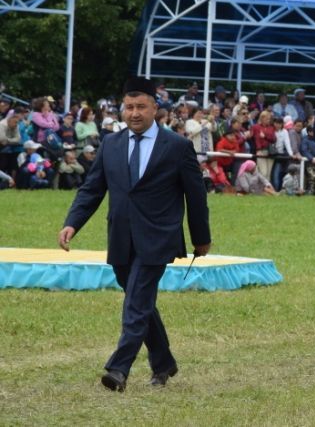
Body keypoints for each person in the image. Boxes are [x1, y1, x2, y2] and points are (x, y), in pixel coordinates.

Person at [58, 77, 211, 391]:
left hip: (159, 236)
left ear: (155, 107)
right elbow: (92, 189)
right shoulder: (111, 144)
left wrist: (201, 237)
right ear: (121, 110)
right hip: (121, 236)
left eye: (141, 106)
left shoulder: (178, 147)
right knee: (141, 303)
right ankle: (164, 363)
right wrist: (73, 222)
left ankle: (118, 369)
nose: (134, 113)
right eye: (129, 107)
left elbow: (196, 196)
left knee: (136, 304)